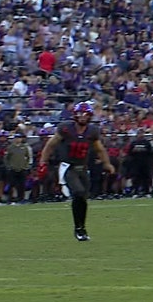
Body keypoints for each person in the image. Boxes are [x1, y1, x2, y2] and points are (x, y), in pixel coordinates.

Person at [37, 101, 114, 241]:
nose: (82, 117)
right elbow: (50, 145)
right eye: (80, 114)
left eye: (85, 114)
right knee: (78, 192)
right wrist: (43, 162)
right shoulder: (66, 128)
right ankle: (79, 228)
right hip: (68, 166)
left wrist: (107, 163)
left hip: (83, 168)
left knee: (83, 199)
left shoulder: (92, 131)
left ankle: (81, 228)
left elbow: (99, 149)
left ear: (90, 116)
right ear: (75, 114)